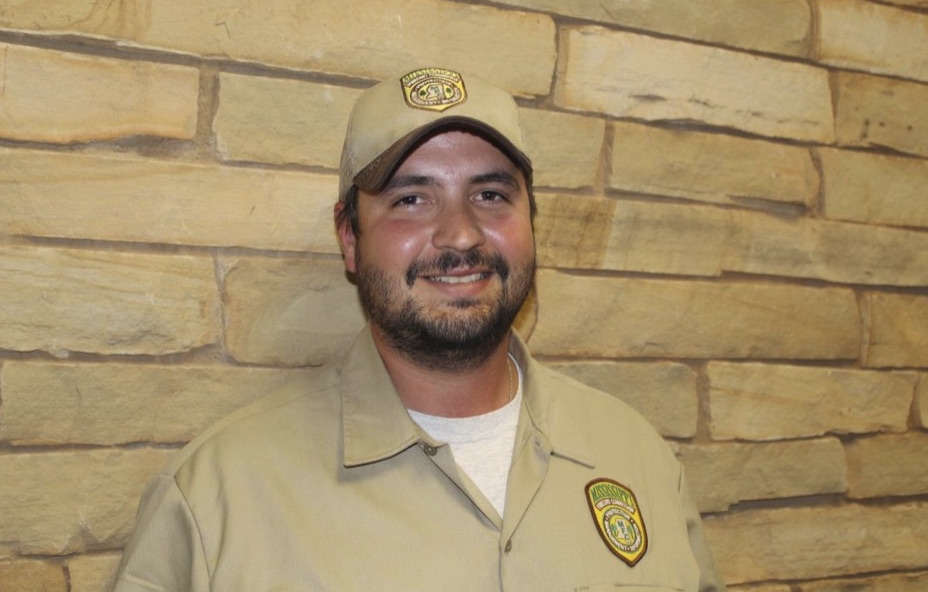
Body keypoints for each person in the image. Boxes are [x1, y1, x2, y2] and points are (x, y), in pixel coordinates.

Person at [113, 66, 725, 591]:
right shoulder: (213, 502)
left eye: (490, 194)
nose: (460, 234)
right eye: (412, 198)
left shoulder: (638, 459)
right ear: (350, 237)